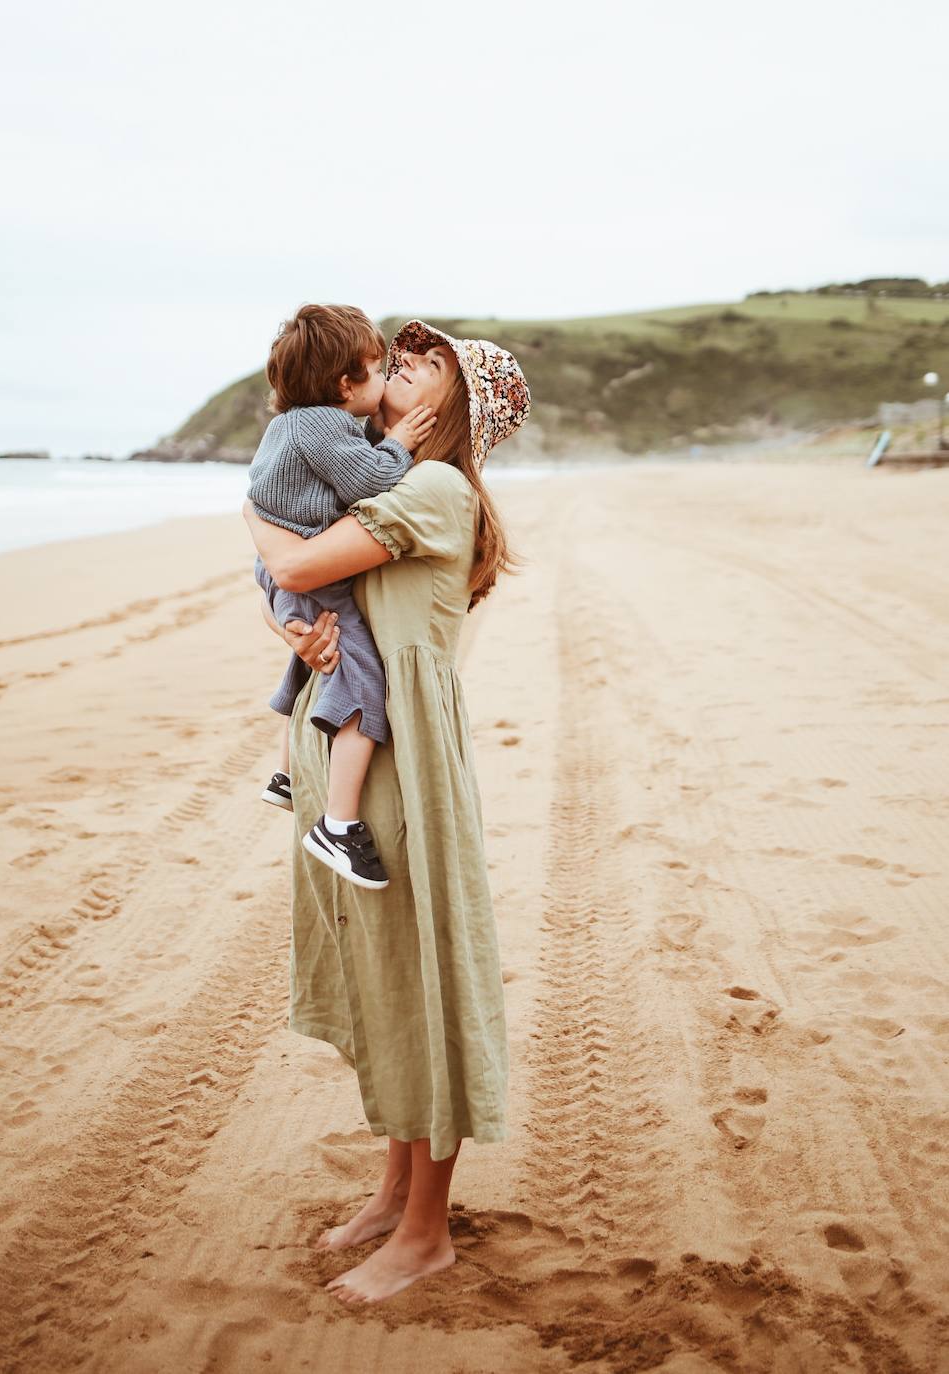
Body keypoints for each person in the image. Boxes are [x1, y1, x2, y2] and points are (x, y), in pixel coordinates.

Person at [243, 318, 531, 1305]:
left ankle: (425, 1234)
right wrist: (298, 627)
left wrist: (256, 526)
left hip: (406, 764)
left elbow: (294, 562)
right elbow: (305, 594)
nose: (404, 362)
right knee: (386, 977)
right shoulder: (379, 478)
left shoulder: (438, 489)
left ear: (455, 404)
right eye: (400, 354)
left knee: (424, 983)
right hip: (367, 741)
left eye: (427, 361)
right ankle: (394, 1193)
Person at [247, 303, 438, 890]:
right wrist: (401, 443)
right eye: (380, 370)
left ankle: (283, 776)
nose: (388, 379)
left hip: (282, 569)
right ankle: (338, 822)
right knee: (361, 681)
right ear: (344, 384)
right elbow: (370, 481)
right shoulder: (325, 426)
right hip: (310, 574)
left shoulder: (292, 424)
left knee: (311, 660)